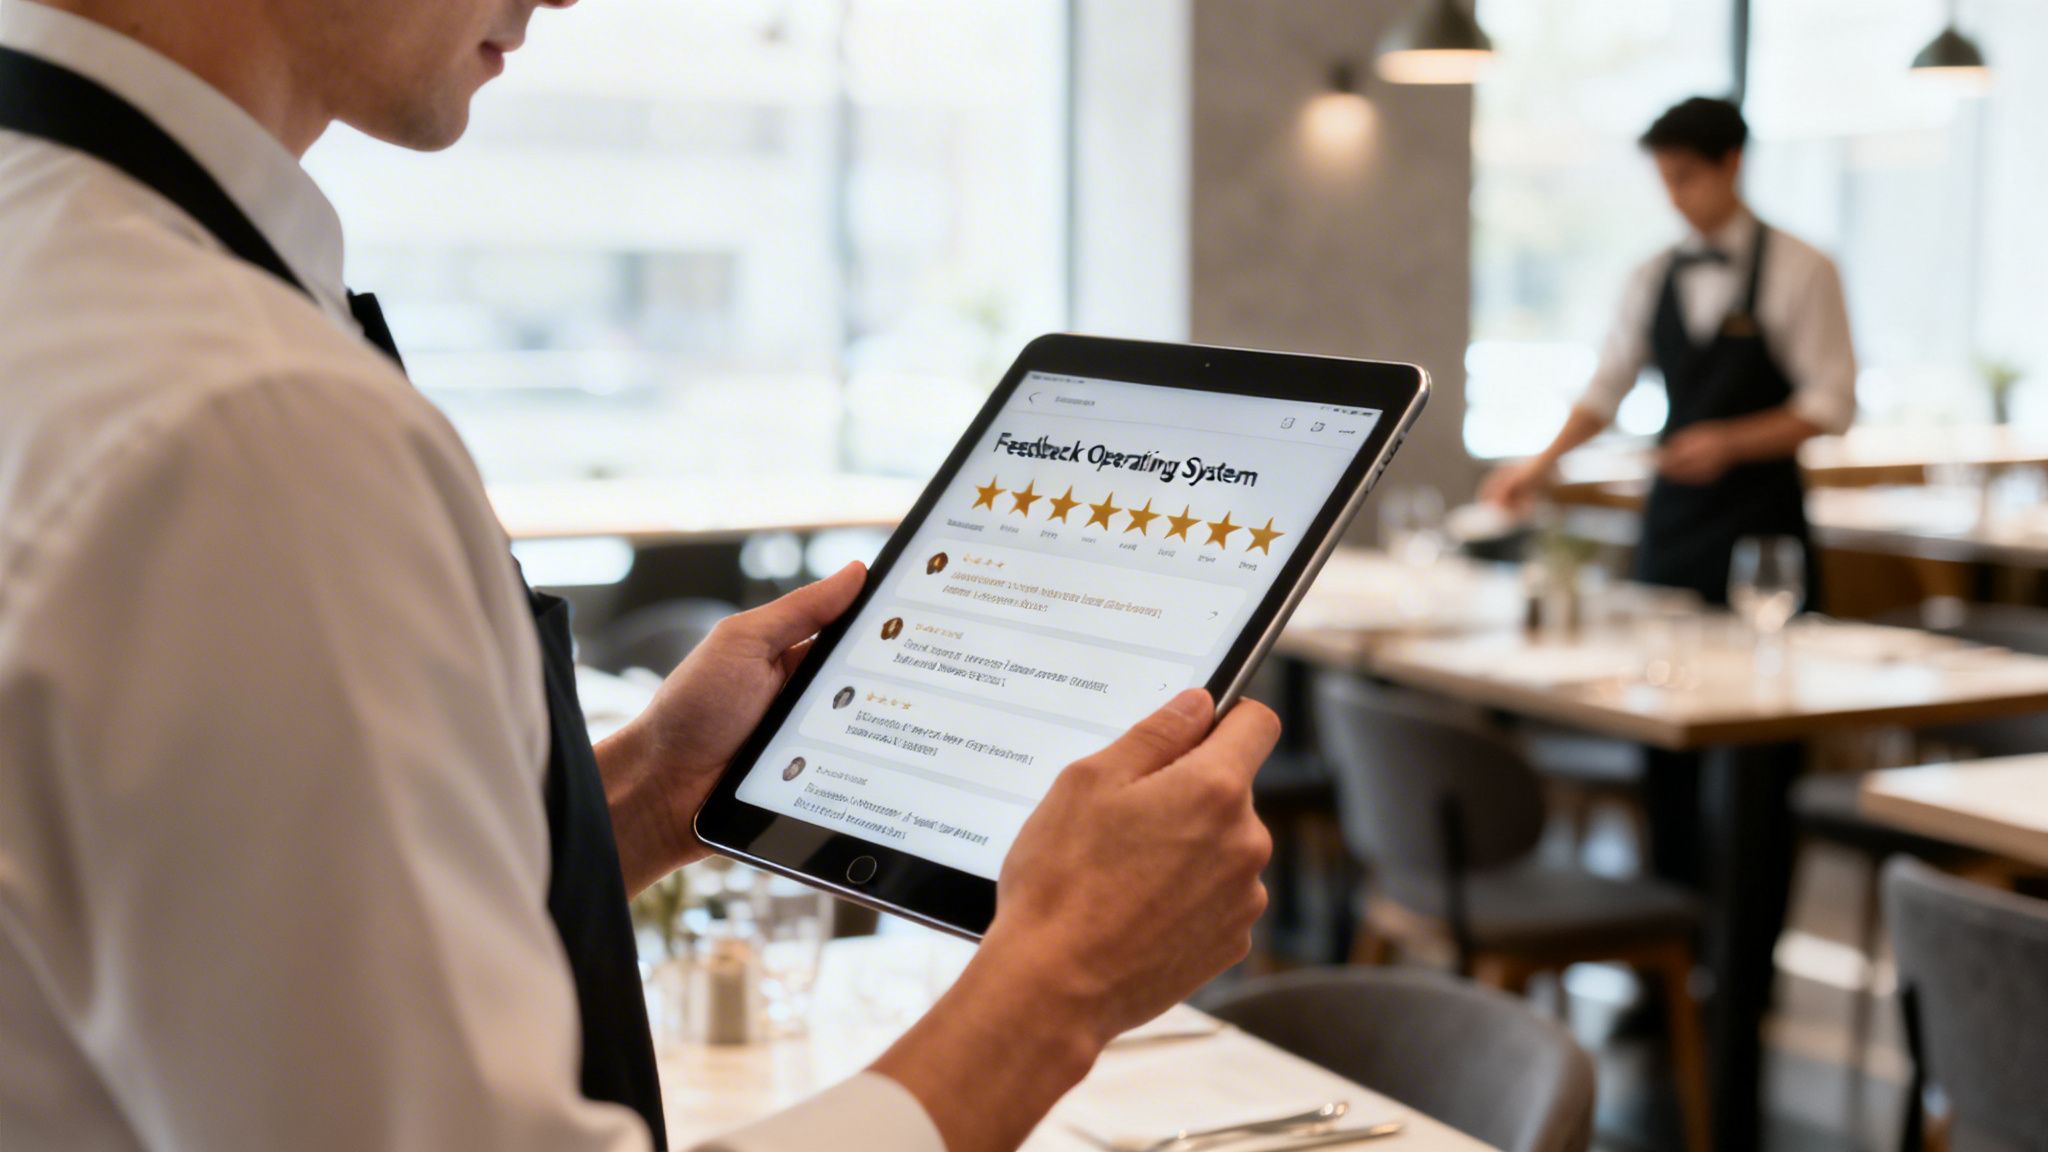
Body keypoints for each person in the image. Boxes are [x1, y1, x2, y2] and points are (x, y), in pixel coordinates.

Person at [0, 3, 1278, 1152]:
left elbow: (238, 956)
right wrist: (1058, 982)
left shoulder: (71, 263)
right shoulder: (248, 424)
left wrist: (644, 792)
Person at [1479, 96, 1855, 895]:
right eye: (1665, 180)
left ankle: (1742, 990)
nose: (1676, 195)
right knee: (1662, 743)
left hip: (1763, 536)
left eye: (1687, 177)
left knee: (1759, 758)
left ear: (1732, 166)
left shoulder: (1803, 269)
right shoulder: (1651, 274)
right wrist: (1538, 464)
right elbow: (1607, 386)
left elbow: (1831, 404)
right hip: (1673, 528)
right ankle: (1669, 980)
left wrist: (1729, 442)